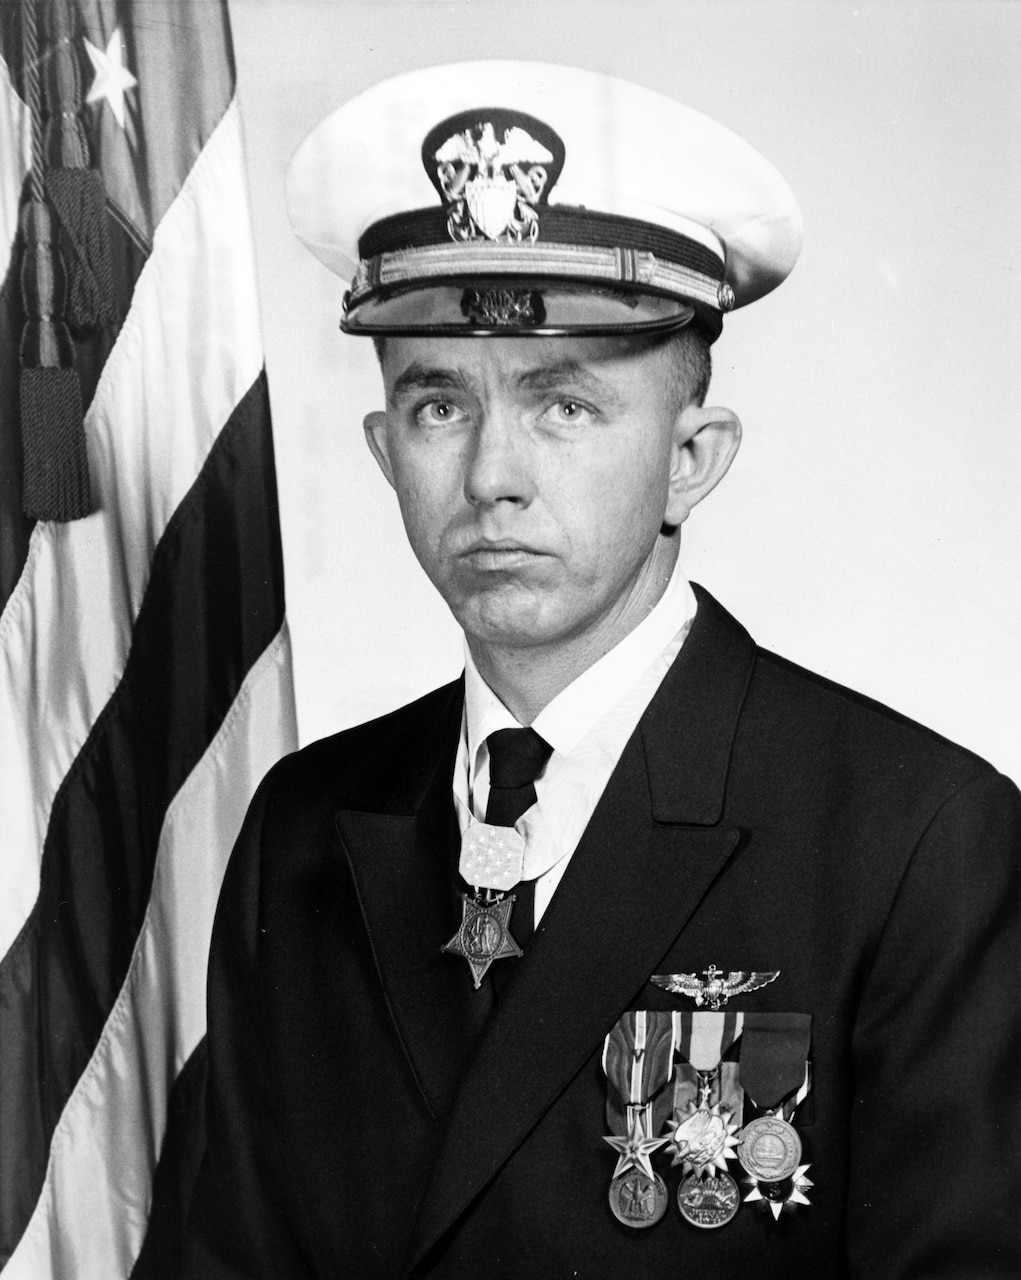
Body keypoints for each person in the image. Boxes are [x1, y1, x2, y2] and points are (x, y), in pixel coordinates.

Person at [180, 61, 1020, 1278]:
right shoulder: (304, 829)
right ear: (379, 449)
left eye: (563, 404)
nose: (490, 476)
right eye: (436, 406)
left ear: (691, 458)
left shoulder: (914, 839)